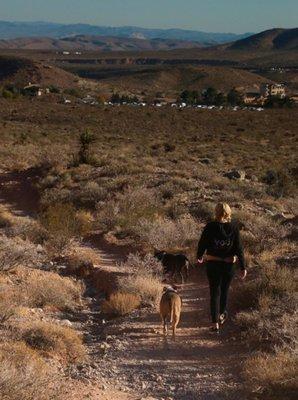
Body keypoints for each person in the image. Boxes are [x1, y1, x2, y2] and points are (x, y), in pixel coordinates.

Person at [197, 203, 247, 333]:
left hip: (213, 264)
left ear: (216, 212)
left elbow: (202, 242)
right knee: (224, 291)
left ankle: (215, 324)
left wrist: (199, 256)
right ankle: (222, 313)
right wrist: (243, 266)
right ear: (229, 212)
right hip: (228, 265)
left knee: (214, 292)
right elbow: (239, 248)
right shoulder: (234, 228)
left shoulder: (210, 226)